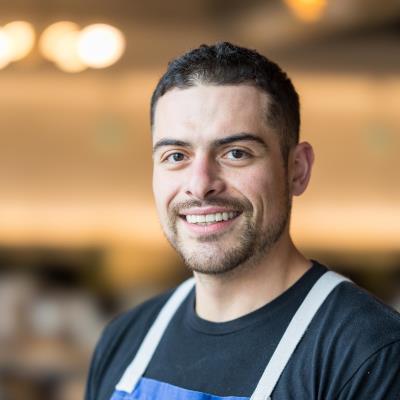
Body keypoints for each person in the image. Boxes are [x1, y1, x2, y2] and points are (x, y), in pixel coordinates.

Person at [85, 42, 400, 400]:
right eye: (176, 156)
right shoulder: (124, 340)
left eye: (236, 153)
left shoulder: (370, 354)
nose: (200, 185)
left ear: (297, 170)